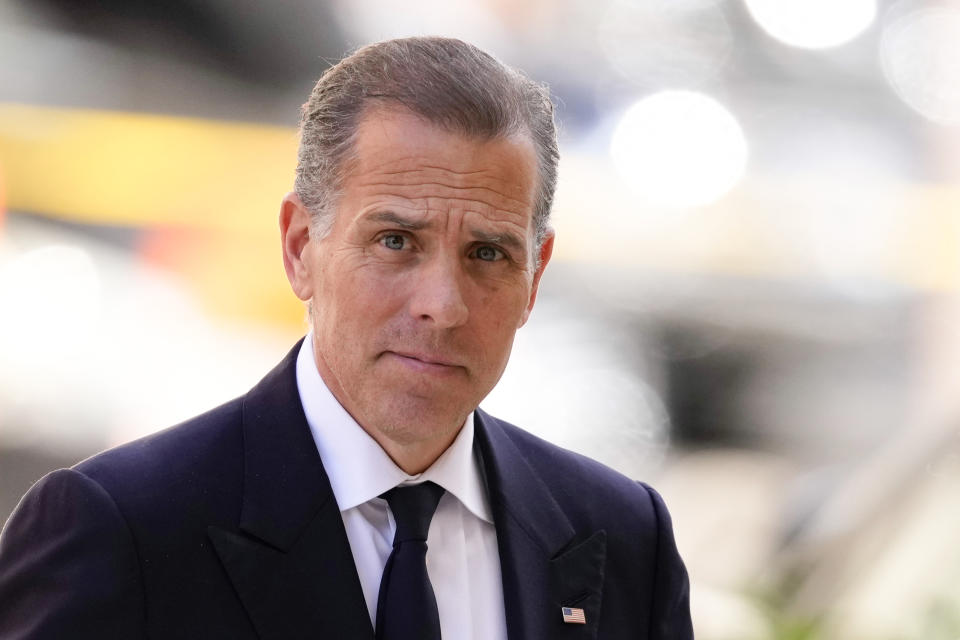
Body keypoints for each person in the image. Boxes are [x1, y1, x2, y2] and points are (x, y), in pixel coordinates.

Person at [0, 37, 692, 639]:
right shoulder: (124, 530)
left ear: (533, 278)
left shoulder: (622, 537)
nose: (442, 306)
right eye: (396, 241)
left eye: (487, 254)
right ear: (301, 247)